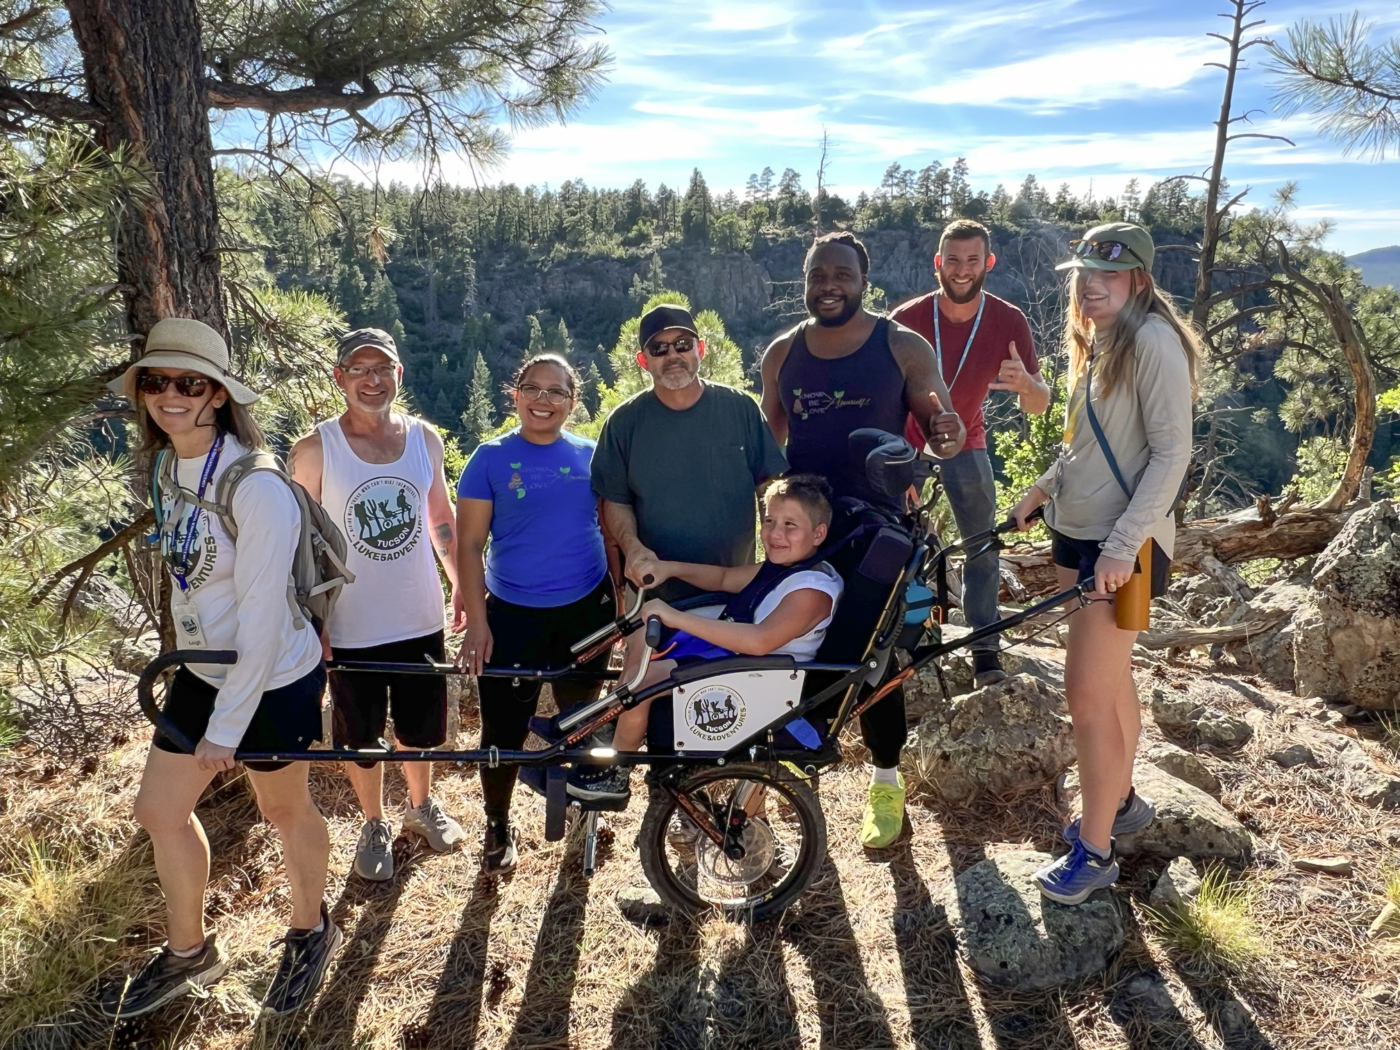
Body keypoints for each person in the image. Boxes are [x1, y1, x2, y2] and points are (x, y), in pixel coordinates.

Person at [102, 319, 337, 1018]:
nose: (170, 395)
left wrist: (225, 729)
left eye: (190, 383)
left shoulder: (256, 486)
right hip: (203, 669)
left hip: (274, 678)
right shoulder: (167, 467)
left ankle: (310, 927)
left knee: (282, 806)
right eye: (156, 381)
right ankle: (189, 951)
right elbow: (189, 579)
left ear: (218, 396)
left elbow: (265, 618)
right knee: (159, 809)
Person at [1010, 222, 1198, 904]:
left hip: (1126, 546)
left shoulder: (1151, 342)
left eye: (1107, 275)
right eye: (1083, 272)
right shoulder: (1100, 342)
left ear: (1139, 281)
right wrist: (1043, 487)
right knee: (1109, 684)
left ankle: (1094, 852)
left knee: (1086, 696)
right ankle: (1117, 803)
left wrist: (1122, 547)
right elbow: (1086, 445)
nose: (1090, 284)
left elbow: (1172, 454)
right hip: (1079, 532)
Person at [759, 231, 965, 850]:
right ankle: (801, 763)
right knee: (797, 641)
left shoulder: (900, 346)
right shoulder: (782, 354)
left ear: (863, 281)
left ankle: (884, 780)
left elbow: (940, 428)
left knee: (877, 660)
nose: (829, 285)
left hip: (877, 529)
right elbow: (771, 440)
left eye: (842, 274)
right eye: (818, 274)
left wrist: (947, 436)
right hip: (803, 529)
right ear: (805, 280)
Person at [289, 328, 466, 883]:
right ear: (340, 378)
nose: (372, 380)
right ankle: (373, 821)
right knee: (359, 736)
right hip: (349, 623)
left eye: (382, 368)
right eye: (359, 369)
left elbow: (441, 518)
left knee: (421, 728)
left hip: (418, 615)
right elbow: (298, 544)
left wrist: (461, 582)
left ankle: (420, 806)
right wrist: (310, 621)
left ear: (398, 375)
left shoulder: (423, 439)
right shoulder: (315, 450)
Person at [567, 475, 844, 802]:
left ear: (818, 533)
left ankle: (615, 776)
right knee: (642, 636)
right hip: (743, 660)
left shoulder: (812, 590)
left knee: (645, 681)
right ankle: (608, 726)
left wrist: (675, 617)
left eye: (790, 525)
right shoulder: (786, 566)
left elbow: (759, 641)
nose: (775, 534)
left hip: (765, 678)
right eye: (769, 521)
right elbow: (725, 577)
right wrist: (669, 568)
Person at [455, 353, 616, 872]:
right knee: (502, 730)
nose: (543, 399)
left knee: (581, 722)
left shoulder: (593, 456)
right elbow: (470, 544)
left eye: (557, 391)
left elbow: (611, 532)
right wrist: (477, 622)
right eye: (533, 388)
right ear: (515, 393)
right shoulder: (489, 457)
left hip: (585, 613)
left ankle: (582, 818)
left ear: (574, 401)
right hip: (512, 616)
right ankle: (498, 826)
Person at [891, 219, 1050, 688]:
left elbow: (1038, 406)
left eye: (973, 261)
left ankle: (985, 651)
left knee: (982, 542)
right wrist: (901, 470)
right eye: (953, 261)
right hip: (907, 437)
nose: (963, 271)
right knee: (898, 543)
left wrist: (1027, 385)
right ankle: (905, 640)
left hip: (968, 436)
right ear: (938, 264)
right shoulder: (907, 319)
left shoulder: (1007, 320)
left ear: (988, 264)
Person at [592, 303, 789, 606]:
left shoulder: (741, 409)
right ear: (643, 361)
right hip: (653, 594)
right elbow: (615, 501)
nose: (672, 356)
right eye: (659, 349)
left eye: (682, 345)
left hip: (734, 588)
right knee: (652, 657)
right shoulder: (622, 423)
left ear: (700, 349)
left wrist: (778, 547)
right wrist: (631, 548)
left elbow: (770, 487)